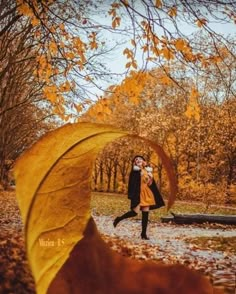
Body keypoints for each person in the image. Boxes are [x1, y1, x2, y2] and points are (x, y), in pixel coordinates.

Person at [113, 155, 165, 240]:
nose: (137, 160)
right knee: (134, 212)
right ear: (135, 163)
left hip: (147, 194)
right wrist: (139, 175)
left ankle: (143, 234)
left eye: (140, 159)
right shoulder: (134, 171)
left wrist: (151, 178)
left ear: (144, 161)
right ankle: (119, 218)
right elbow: (132, 184)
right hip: (138, 194)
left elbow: (149, 184)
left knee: (145, 214)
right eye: (136, 159)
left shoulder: (147, 171)